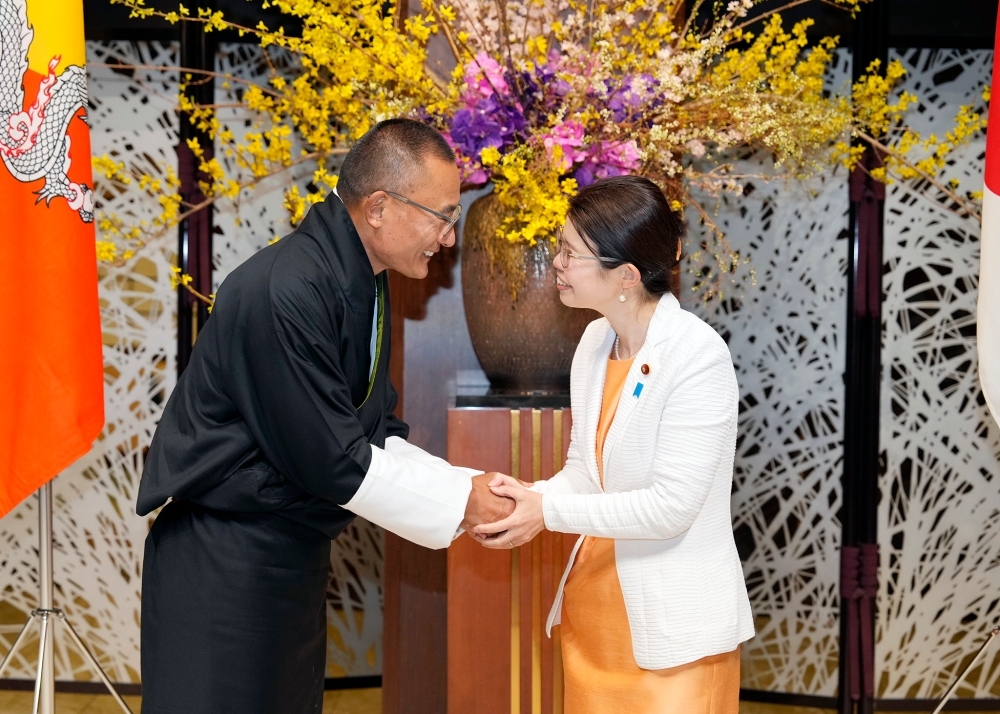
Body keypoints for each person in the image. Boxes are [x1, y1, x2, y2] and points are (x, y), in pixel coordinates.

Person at [136, 118, 512, 714]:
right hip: (223, 566)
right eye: (443, 216)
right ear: (380, 207)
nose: (448, 239)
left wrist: (465, 484)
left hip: (289, 560)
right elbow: (335, 460)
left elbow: (374, 431)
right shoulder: (284, 287)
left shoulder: (361, 280)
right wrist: (464, 503)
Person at [474, 175, 755, 713]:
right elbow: (585, 471)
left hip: (672, 636)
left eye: (570, 253)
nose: (555, 262)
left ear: (625, 275)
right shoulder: (596, 338)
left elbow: (671, 508)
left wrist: (547, 511)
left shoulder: (697, 354)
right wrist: (525, 500)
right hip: (594, 616)